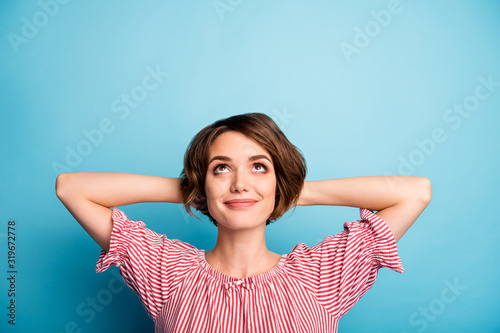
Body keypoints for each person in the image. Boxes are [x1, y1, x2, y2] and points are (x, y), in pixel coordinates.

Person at [55, 113, 431, 333]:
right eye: (221, 169)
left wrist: (289, 190)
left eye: (259, 167)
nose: (240, 184)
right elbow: (71, 187)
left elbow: (415, 192)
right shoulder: (167, 270)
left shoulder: (321, 275)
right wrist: (195, 188)